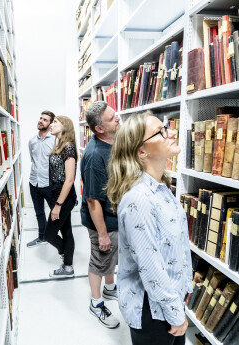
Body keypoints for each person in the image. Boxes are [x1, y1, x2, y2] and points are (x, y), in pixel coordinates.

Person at [107, 111, 192, 345]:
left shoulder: (162, 188)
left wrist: (186, 285)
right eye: (161, 131)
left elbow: (176, 245)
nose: (172, 132)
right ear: (141, 152)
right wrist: (176, 314)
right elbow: (150, 265)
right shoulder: (139, 200)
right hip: (152, 311)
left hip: (169, 303)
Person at [80, 101, 120, 329]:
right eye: (111, 117)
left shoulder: (112, 142)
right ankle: (96, 304)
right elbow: (92, 200)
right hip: (101, 221)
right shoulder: (95, 155)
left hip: (112, 217)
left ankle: (110, 288)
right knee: (101, 258)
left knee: (110, 258)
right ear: (99, 129)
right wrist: (102, 234)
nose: (117, 118)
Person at [44, 116, 77, 278]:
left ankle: (66, 254)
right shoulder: (60, 145)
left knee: (48, 234)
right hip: (57, 194)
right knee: (66, 230)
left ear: (65, 126)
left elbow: (69, 179)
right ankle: (68, 266)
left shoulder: (68, 147)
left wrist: (58, 205)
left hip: (63, 198)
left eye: (55, 122)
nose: (51, 124)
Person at [27, 111, 56, 248]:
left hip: (49, 184)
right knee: (39, 212)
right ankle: (42, 237)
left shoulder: (55, 140)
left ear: (50, 124)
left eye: (45, 120)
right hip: (34, 182)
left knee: (56, 212)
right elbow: (33, 160)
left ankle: (55, 237)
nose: (41, 121)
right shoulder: (32, 141)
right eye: (40, 118)